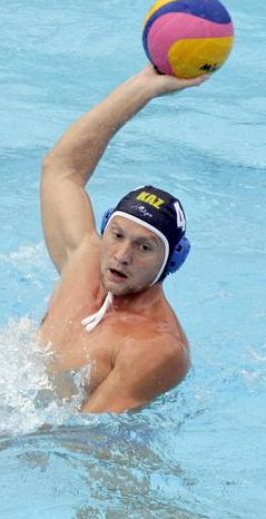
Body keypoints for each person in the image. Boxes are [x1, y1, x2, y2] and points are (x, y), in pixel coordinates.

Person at [39, 65, 207, 413]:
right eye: (117, 235)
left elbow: (81, 434)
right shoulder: (84, 259)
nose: (121, 255)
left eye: (144, 247)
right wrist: (143, 87)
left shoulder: (156, 347)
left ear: (171, 261)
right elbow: (61, 169)